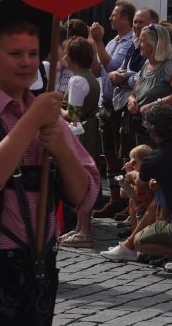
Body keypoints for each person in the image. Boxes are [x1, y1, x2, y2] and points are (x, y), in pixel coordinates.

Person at [0, 0, 99, 325]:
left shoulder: (48, 116)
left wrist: (62, 149)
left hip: (40, 259)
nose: (27, 63)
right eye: (15, 54)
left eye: (32, 54)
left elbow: (86, 196)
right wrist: (31, 121)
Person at [101, 105, 172, 276]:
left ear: (151, 131)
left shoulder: (154, 158)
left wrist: (132, 173)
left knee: (140, 241)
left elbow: (140, 186)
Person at [90, 0, 138, 218]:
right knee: (109, 155)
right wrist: (95, 45)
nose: (110, 17)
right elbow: (99, 70)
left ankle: (130, 201)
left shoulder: (129, 43)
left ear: (126, 18)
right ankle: (116, 199)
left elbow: (111, 67)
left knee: (123, 156)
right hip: (106, 105)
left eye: (115, 14)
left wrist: (99, 42)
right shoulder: (112, 42)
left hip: (120, 107)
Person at [58, 36, 102, 248]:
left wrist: (57, 108)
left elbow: (73, 115)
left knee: (81, 178)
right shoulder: (90, 76)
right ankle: (79, 227)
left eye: (66, 53)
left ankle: (84, 230)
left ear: (73, 57)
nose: (63, 56)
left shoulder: (77, 80)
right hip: (90, 129)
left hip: (80, 133)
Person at [126, 24, 172, 147]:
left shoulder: (168, 66)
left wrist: (156, 103)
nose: (139, 44)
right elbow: (134, 94)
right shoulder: (146, 65)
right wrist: (131, 101)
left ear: (156, 43)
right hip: (141, 128)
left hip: (159, 132)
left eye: (143, 41)